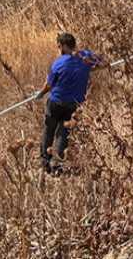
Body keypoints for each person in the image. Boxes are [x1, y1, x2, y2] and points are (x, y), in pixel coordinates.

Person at [36, 32, 105, 173]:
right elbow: (103, 63)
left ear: (64, 46)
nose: (59, 49)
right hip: (74, 104)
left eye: (59, 46)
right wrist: (89, 69)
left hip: (56, 102)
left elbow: (49, 85)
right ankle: (57, 164)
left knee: (49, 130)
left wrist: (40, 94)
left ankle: (45, 160)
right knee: (63, 133)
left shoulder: (58, 63)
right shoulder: (86, 56)